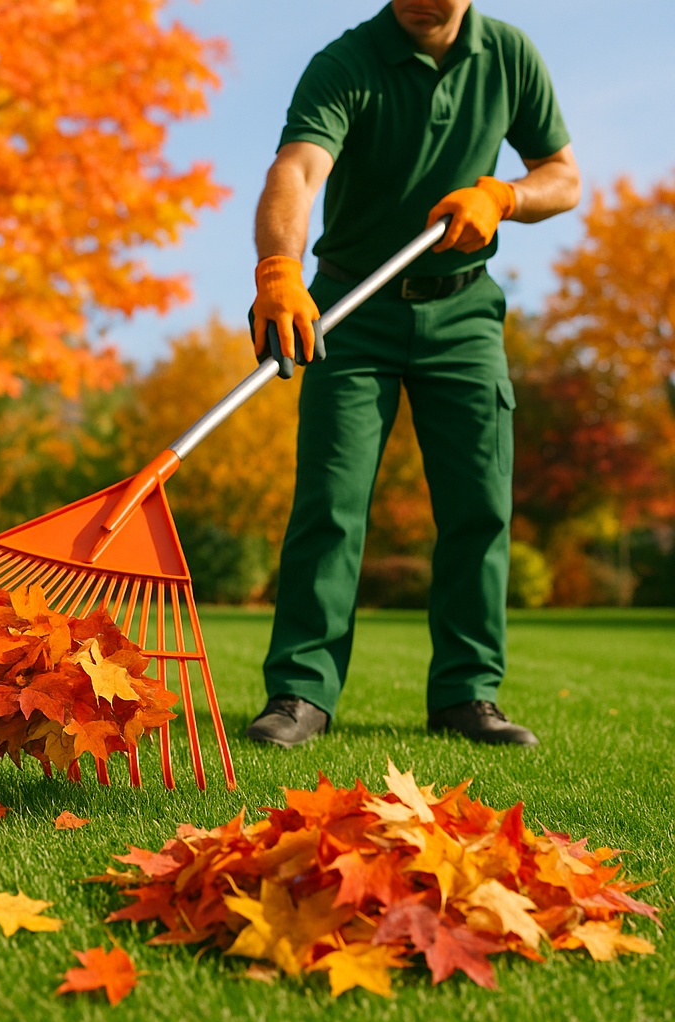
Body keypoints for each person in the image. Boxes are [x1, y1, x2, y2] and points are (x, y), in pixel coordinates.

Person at [246, 0, 580, 748]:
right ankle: (301, 691)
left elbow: (564, 177)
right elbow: (297, 170)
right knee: (330, 502)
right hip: (349, 310)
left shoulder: (510, 57)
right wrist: (277, 269)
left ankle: (468, 693)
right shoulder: (348, 62)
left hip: (464, 314)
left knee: (478, 504)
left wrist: (505, 195)